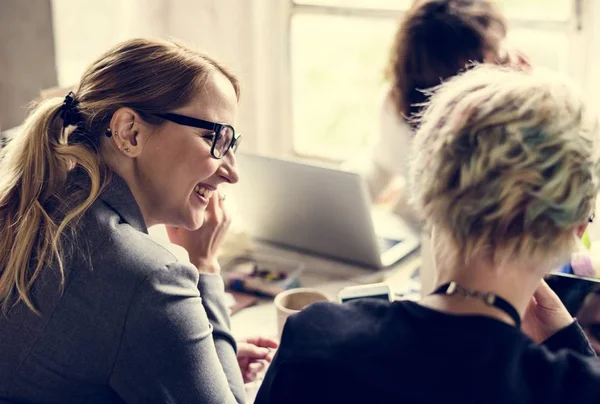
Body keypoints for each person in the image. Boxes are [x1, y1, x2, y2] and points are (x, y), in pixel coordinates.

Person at [255, 65, 600, 403]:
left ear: (429, 190)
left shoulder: (314, 337)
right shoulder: (574, 387)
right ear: (575, 230)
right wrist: (569, 343)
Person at [0, 38, 275, 403]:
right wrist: (205, 265)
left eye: (231, 143)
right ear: (130, 132)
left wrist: (186, 361)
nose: (231, 173)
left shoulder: (42, 208)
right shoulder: (149, 278)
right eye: (213, 138)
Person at [355, 0, 513, 224]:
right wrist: (334, 195)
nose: (503, 59)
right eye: (494, 53)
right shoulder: (396, 102)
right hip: (416, 230)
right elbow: (382, 162)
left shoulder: (506, 117)